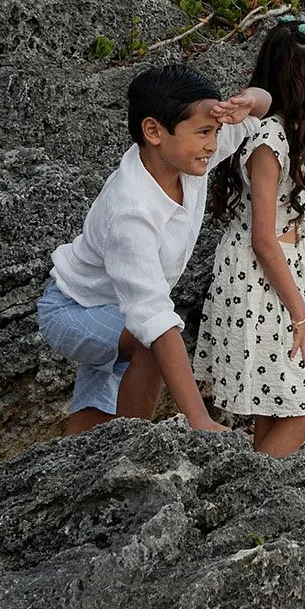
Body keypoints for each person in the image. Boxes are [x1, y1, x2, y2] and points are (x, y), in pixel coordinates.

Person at [37, 63, 268, 435]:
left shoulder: (187, 157)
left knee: (94, 417)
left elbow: (262, 107)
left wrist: (249, 101)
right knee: (150, 346)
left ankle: (71, 471)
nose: (213, 143)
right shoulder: (132, 211)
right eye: (205, 132)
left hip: (117, 303)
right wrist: (199, 420)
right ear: (153, 131)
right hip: (75, 308)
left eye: (218, 131)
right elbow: (154, 319)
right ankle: (132, 448)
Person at [196, 14, 305, 456]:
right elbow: (261, 238)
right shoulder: (271, 143)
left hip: (280, 268)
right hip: (261, 283)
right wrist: (300, 314)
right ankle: (250, 495)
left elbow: (272, 220)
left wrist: (296, 233)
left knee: (276, 404)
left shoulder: (292, 130)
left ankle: (257, 491)